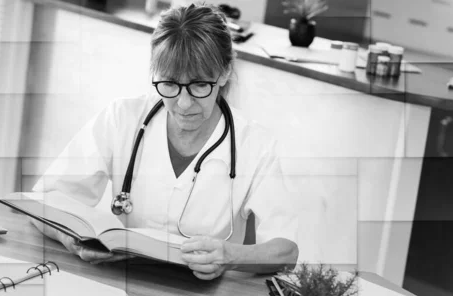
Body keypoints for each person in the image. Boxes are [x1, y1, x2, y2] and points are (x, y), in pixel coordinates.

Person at [31, 3, 299, 280]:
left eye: (199, 85)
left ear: (224, 72)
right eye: (169, 84)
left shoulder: (255, 145)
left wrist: (230, 256)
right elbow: (42, 201)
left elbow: (286, 251)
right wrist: (72, 240)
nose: (183, 104)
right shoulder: (122, 118)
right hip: (124, 281)